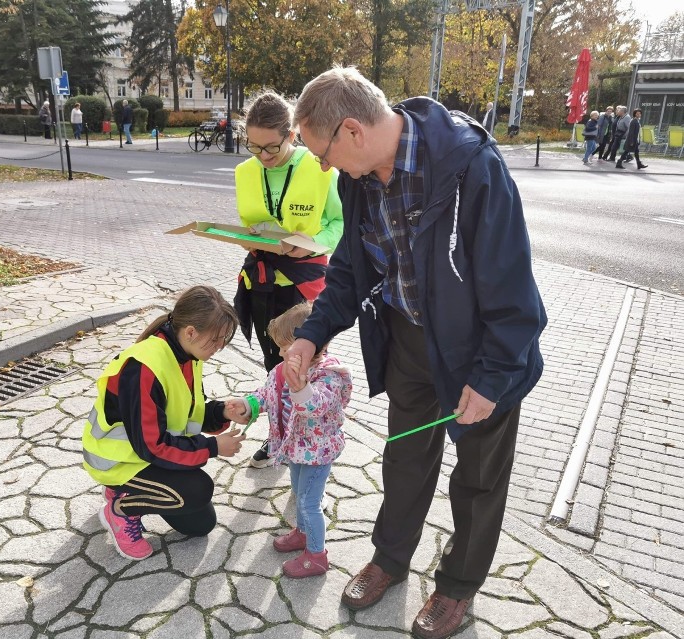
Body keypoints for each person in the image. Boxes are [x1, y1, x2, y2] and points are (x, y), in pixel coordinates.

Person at [290, 67, 546, 639]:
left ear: (352, 130)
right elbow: (350, 271)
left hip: (480, 355)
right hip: (408, 341)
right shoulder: (356, 181)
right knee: (405, 458)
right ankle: (390, 557)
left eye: (323, 153)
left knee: (478, 479)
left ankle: (457, 587)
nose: (325, 168)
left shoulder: (471, 168)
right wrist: (313, 333)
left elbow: (513, 290)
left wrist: (493, 378)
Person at [81, 285, 246, 560]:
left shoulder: (188, 354)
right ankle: (120, 510)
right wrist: (213, 447)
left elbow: (187, 414)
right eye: (215, 341)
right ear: (191, 331)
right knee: (197, 490)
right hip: (119, 462)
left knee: (200, 525)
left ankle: (124, 493)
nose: (219, 348)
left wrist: (223, 412)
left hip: (144, 454)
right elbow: (153, 446)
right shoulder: (144, 367)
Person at [232, 90, 344, 470]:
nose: (263, 156)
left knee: (306, 359)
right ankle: (277, 434)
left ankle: (308, 433)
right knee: (272, 359)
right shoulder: (245, 172)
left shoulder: (320, 167)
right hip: (262, 280)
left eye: (272, 147)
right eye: (253, 147)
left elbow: (339, 223)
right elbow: (251, 222)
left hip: (304, 282)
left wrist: (313, 243)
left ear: (292, 135)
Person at [229, 303, 352, 578]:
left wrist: (300, 387)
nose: (282, 354)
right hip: (295, 448)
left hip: (317, 452)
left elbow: (315, 407)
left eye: (287, 348)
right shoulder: (283, 369)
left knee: (310, 501)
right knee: (298, 490)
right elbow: (266, 394)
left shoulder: (329, 376)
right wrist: (247, 404)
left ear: (313, 346)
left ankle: (317, 555)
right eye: (281, 348)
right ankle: (303, 532)